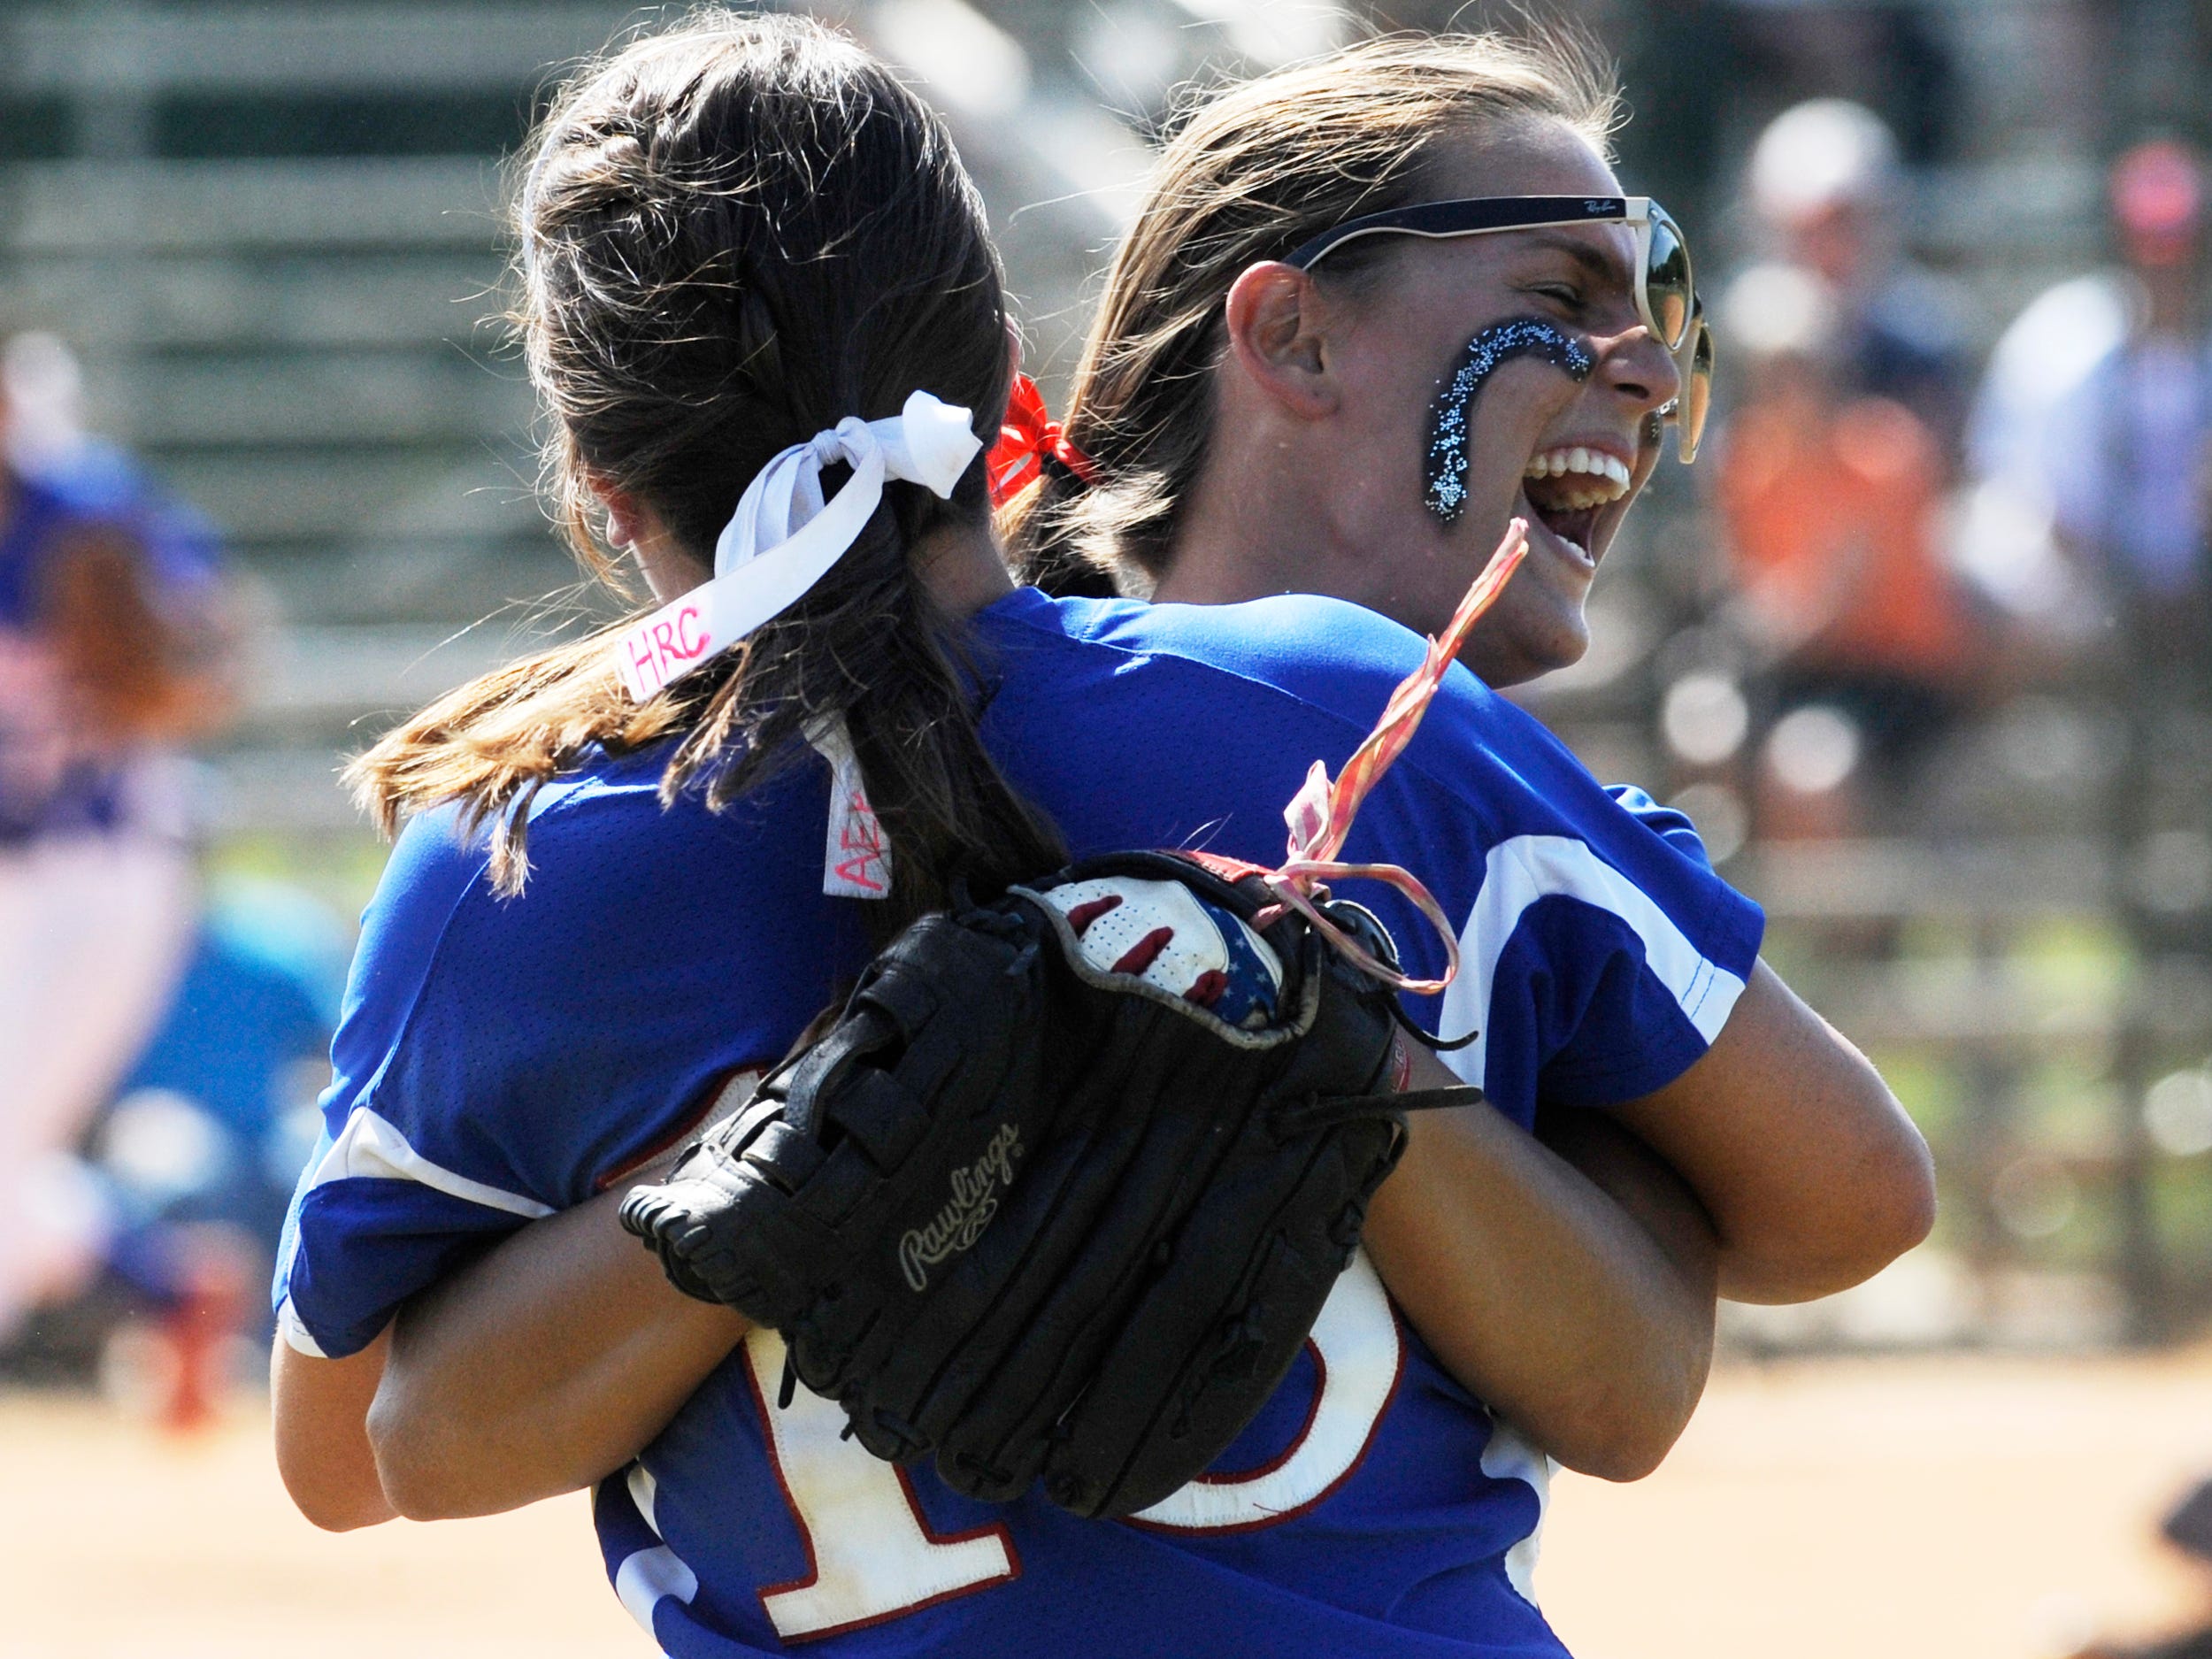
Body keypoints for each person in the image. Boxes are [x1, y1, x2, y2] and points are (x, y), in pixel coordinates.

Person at [271, 16, 1931, 1657]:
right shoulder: (1342, 718)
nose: (1638, 361)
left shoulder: (520, 851)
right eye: (1561, 303)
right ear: (1004, 376)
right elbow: (1832, 1216)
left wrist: (759, 1185)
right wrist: (1344, 1062)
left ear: (589, 474)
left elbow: (351, 1455)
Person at [0, 332, 234, 1348]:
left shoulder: (89, 516)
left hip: (108, 878)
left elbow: (208, 667)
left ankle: (163, 1292)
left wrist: (154, 648)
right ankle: (169, 1289)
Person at [1709, 262, 1978, 834]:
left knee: (1810, 771)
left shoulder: (1886, 455)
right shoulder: (1746, 465)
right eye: (1773, 374)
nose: (1790, 391)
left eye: (1803, 370)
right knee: (1703, 729)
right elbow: (1748, 589)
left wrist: (1769, 622)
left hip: (1894, 684)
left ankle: (1841, 926)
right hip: (1798, 674)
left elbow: (1836, 607)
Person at [1745, 98, 1974, 460]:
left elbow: (1943, 466)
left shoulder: (1923, 342)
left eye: (1846, 222)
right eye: (1813, 228)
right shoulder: (1739, 350)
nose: (1833, 244)